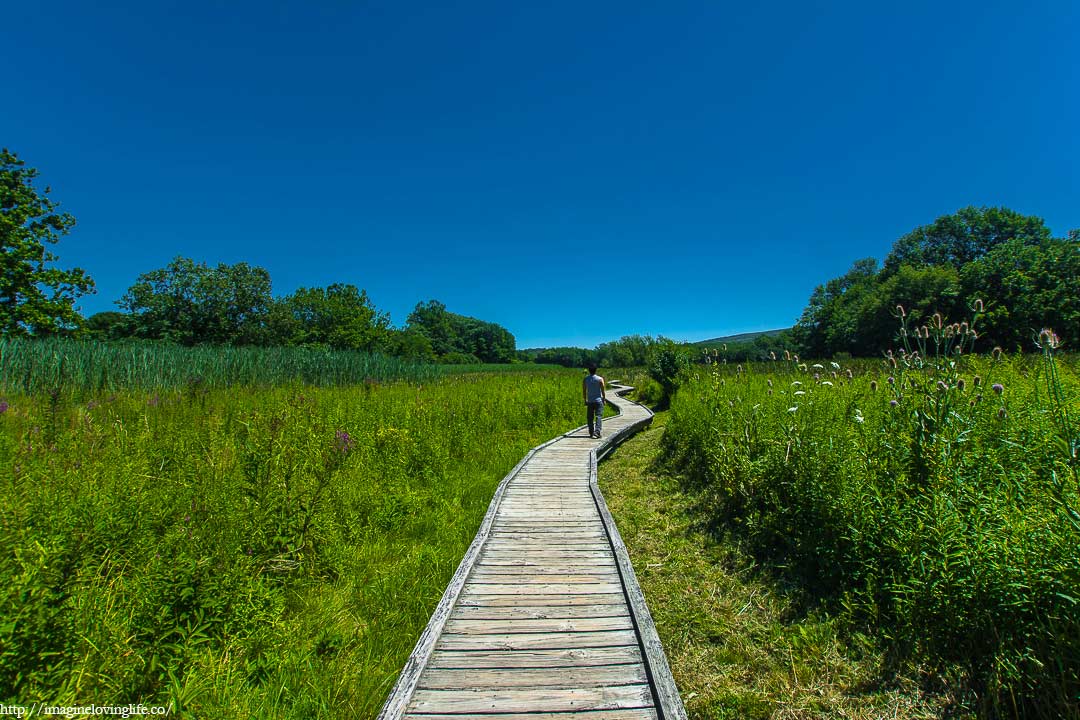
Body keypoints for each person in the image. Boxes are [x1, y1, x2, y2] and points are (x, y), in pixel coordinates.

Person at [582, 363, 606, 438]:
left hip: (590, 401)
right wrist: (604, 399)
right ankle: (597, 432)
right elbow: (603, 391)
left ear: (589, 370)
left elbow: (584, 391)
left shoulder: (585, 379)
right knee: (598, 416)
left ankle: (591, 432)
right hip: (598, 401)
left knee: (590, 417)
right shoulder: (600, 379)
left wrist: (585, 400)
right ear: (596, 370)